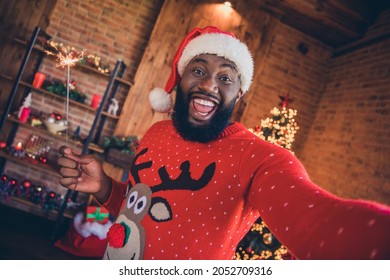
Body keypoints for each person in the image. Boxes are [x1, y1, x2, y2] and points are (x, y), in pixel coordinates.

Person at [58, 26, 390, 260]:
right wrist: (104, 188)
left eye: (226, 77)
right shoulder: (156, 133)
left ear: (239, 92)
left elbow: (319, 223)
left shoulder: (260, 159)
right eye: (198, 70)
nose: (209, 86)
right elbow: (135, 214)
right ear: (181, 78)